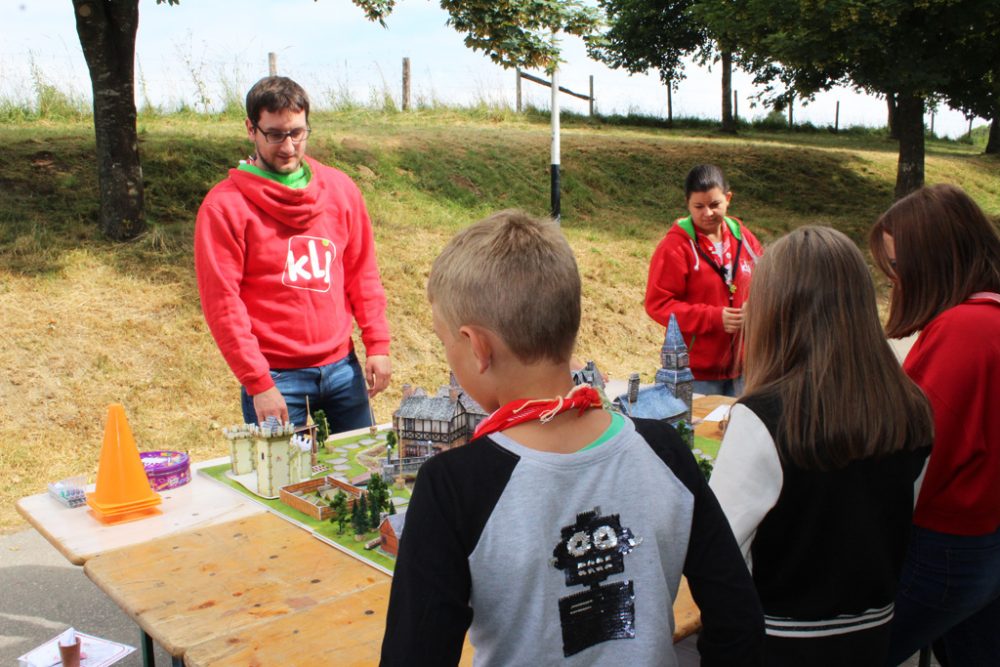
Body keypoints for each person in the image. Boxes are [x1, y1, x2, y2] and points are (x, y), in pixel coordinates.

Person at [380, 210, 765, 666]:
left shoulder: (450, 487)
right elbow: (740, 622)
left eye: (447, 343)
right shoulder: (664, 451)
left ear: (477, 346)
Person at [709, 226, 933, 666]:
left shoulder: (763, 417)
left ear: (778, 310)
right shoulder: (913, 407)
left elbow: (720, 550)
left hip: (778, 641)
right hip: (872, 635)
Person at [194, 76, 391, 430]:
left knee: (362, 477)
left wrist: (377, 344)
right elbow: (223, 305)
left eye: (297, 133)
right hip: (277, 380)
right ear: (251, 129)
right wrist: (258, 383)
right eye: (275, 134)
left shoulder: (341, 190)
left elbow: (362, 273)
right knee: (288, 485)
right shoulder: (224, 208)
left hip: (344, 370)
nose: (288, 147)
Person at [868, 184, 1000, 667]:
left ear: (935, 260)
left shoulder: (961, 330)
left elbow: (914, 454)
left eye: (899, 268)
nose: (896, 282)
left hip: (944, 547)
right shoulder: (989, 317)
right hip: (984, 538)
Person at [645, 164, 763, 397]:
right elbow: (658, 304)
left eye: (715, 205)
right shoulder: (675, 247)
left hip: (747, 366)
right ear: (687, 204)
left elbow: (768, 280)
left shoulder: (744, 237)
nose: (707, 213)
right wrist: (713, 317)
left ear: (728, 199)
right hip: (698, 374)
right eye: (698, 206)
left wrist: (758, 305)